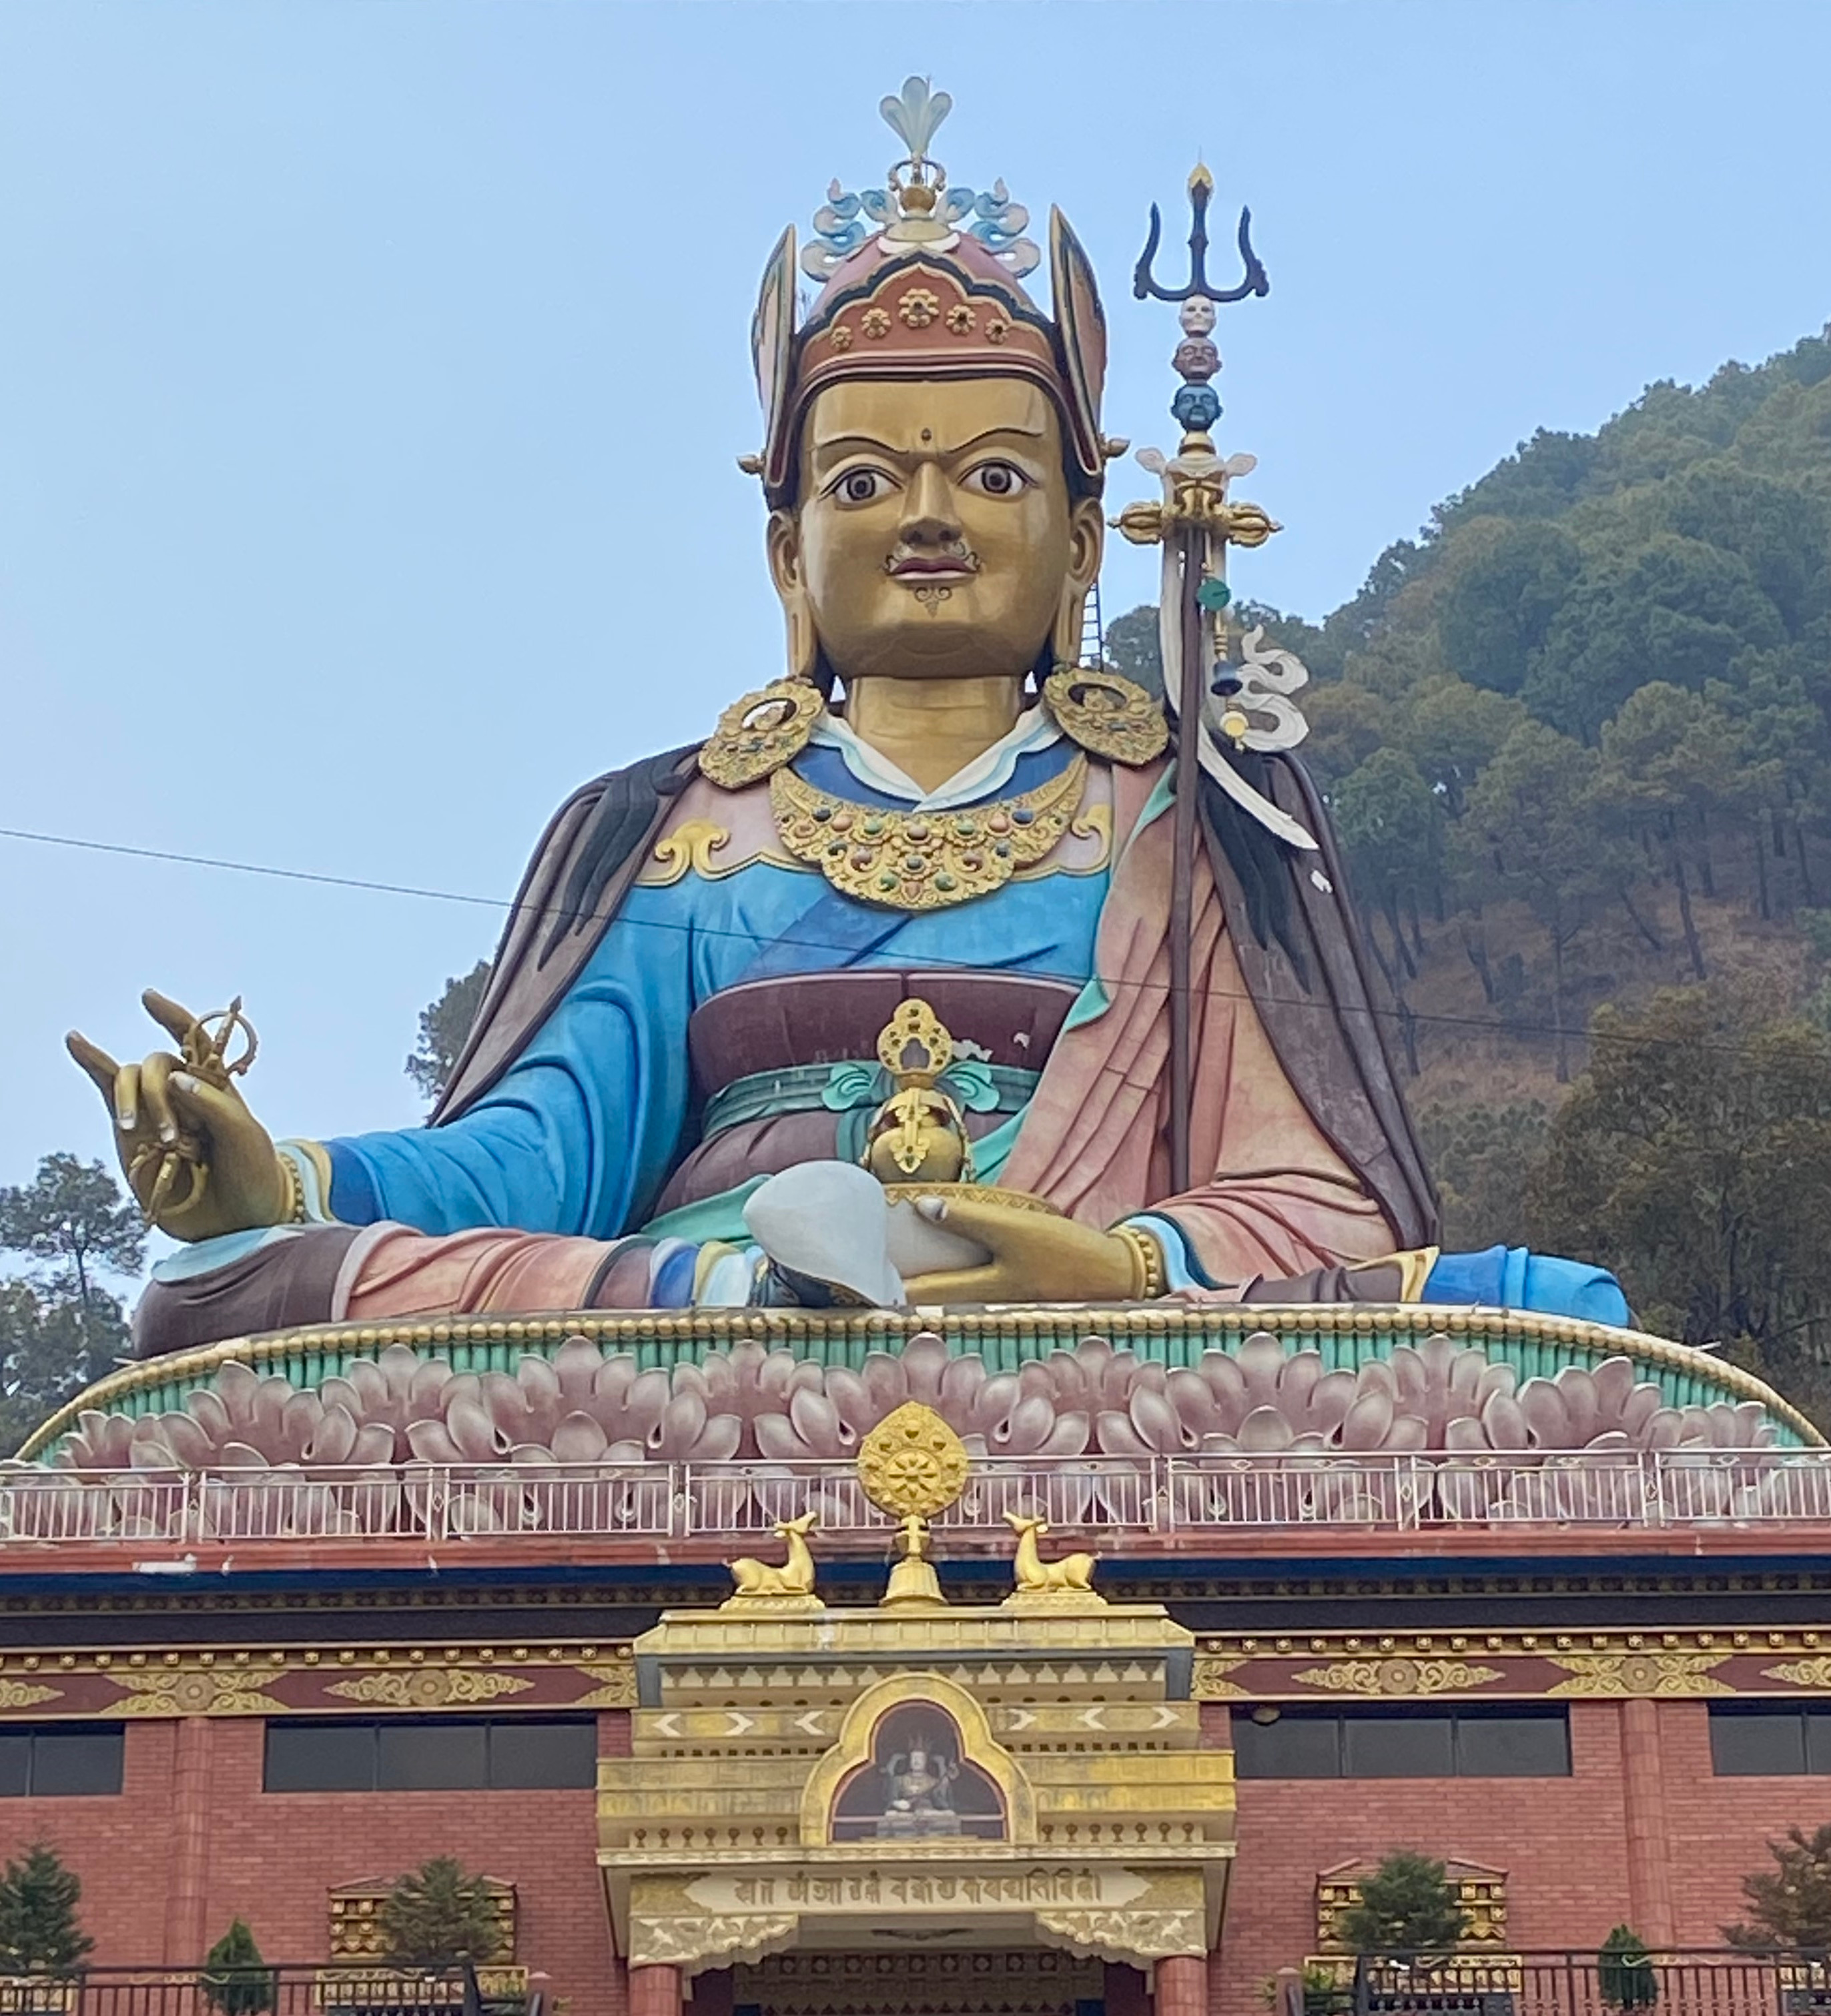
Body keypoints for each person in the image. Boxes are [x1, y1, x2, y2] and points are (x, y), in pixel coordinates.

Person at [68, 85, 1627, 1356]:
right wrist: (283, 1177)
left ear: (1084, 546)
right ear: (785, 551)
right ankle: (762, 1292)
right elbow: (535, 1157)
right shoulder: (670, 825)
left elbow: (1314, 1200)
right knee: (224, 1286)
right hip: (693, 1317)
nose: (927, 518)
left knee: (1542, 1311)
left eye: (994, 476)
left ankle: (838, 1304)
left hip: (1084, 1311)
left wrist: (1119, 1265)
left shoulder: (1189, 807)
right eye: (866, 480)